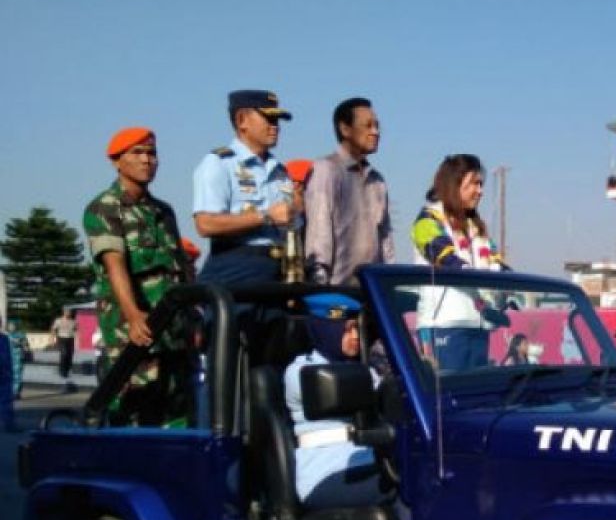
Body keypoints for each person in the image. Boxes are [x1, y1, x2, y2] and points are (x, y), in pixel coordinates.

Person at [82, 127, 192, 426]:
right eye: (137, 153)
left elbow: (181, 269)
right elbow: (114, 264)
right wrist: (133, 315)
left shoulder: (163, 211)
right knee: (131, 418)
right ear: (117, 162)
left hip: (173, 335)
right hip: (132, 335)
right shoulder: (104, 207)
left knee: (177, 417)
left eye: (152, 153)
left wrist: (194, 319)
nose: (147, 160)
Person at [284, 294, 394, 515]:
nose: (355, 336)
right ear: (327, 330)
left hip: (368, 461)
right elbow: (364, 389)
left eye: (358, 328)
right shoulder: (301, 371)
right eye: (347, 329)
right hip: (326, 473)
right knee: (406, 489)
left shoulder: (366, 369)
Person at [411, 155, 507, 371]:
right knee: (447, 398)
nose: (480, 191)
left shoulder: (476, 227)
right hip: (443, 327)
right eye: (475, 183)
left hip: (478, 326)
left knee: (475, 398)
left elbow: (496, 263)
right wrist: (466, 270)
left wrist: (509, 287)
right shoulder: (428, 220)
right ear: (455, 183)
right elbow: (444, 256)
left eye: (482, 184)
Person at [193, 90, 295, 284]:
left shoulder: (281, 172)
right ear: (242, 120)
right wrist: (265, 216)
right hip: (236, 265)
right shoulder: (219, 163)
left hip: (278, 270)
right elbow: (205, 224)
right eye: (269, 119)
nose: (275, 127)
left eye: (277, 121)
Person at [305, 98, 395, 286]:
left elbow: (385, 241)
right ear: (345, 129)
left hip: (371, 291)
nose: (375, 132)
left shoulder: (377, 181)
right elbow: (318, 233)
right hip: (336, 290)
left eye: (377, 126)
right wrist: (319, 284)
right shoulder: (327, 170)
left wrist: (390, 281)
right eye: (368, 126)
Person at [50, 309, 77, 383]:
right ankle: (62, 371)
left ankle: (67, 370)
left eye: (70, 312)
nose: (69, 313)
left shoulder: (73, 321)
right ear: (64, 313)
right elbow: (53, 329)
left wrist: (77, 340)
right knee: (64, 354)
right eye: (67, 312)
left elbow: (76, 331)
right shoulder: (58, 320)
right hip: (62, 338)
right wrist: (52, 339)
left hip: (70, 339)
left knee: (70, 355)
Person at [7, 320, 28, 400]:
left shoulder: (21, 335)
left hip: (18, 357)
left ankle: (16, 393)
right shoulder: (6, 335)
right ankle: (11, 392)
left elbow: (26, 346)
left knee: (17, 375)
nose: (11, 327)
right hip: (8, 357)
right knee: (10, 376)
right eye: (10, 325)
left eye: (13, 325)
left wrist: (19, 343)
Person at [0, 328, 15, 432]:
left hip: (4, 372)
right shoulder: (4, 339)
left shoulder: (5, 338)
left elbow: (8, 356)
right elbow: (7, 357)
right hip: (4, 372)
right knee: (5, 399)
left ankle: (8, 423)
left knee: (6, 398)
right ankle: (8, 423)